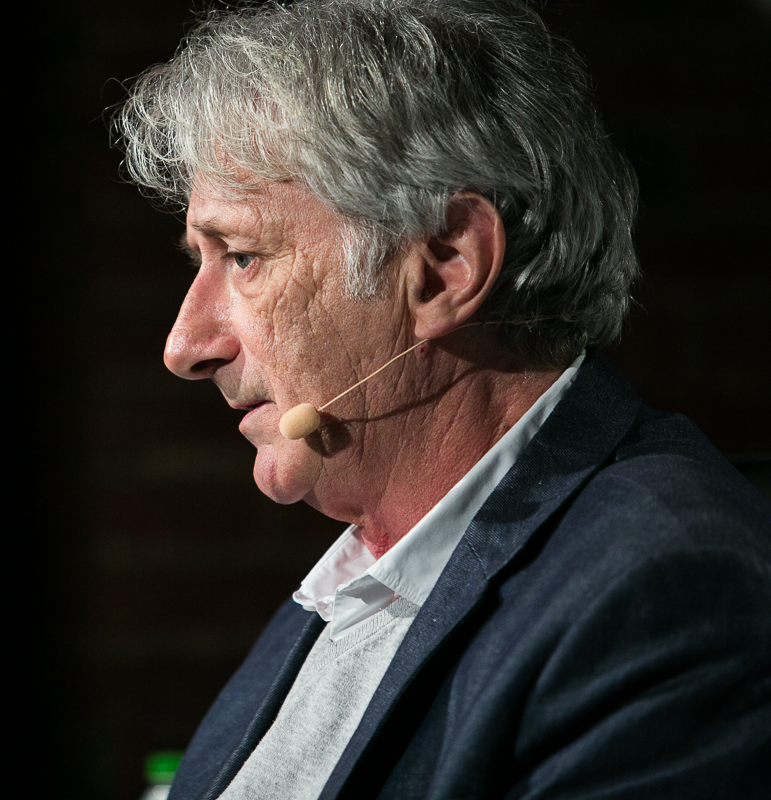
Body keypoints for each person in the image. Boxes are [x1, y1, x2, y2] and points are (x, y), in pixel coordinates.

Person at [112, 0, 771, 798]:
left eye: (244, 257)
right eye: (201, 260)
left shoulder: (665, 587)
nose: (184, 346)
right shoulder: (355, 581)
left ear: (446, 266)